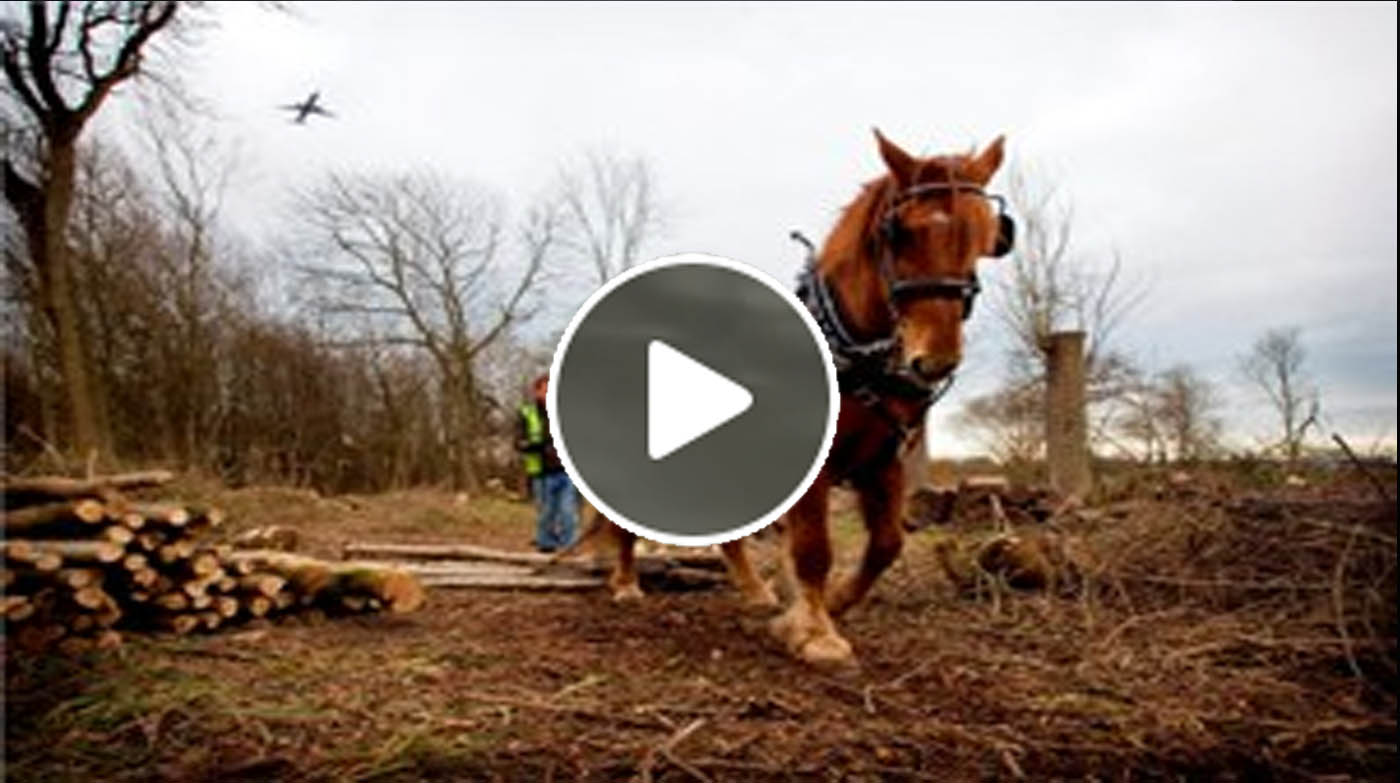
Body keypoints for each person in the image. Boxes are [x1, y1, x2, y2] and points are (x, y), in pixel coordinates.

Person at [516, 373, 578, 552]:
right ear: (536, 392)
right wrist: (536, 444)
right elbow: (518, 442)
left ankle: (569, 546)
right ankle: (546, 545)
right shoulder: (527, 413)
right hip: (541, 471)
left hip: (566, 471)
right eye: (546, 390)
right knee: (546, 513)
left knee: (568, 512)